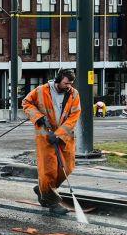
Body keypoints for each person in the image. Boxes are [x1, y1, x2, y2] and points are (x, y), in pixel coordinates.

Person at [22, 69, 82, 216]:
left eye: (71, 83)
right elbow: (26, 102)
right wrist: (38, 116)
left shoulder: (73, 94)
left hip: (64, 137)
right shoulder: (41, 90)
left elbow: (75, 115)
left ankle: (43, 191)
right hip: (45, 137)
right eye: (66, 83)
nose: (69, 86)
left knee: (67, 168)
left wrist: (59, 133)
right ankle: (53, 203)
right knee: (48, 170)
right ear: (58, 79)